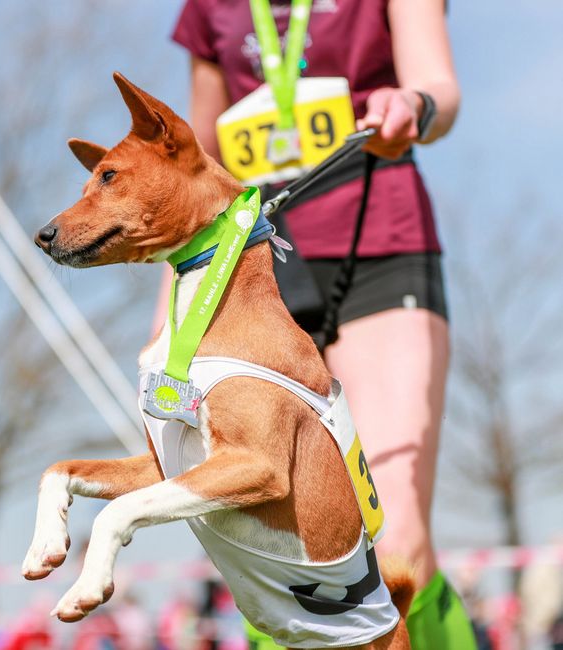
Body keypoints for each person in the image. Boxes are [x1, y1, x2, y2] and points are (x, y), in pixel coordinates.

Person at [166, 1, 477, 648]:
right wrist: (168, 325)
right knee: (284, 557)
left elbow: (441, 89)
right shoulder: (208, 8)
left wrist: (414, 105)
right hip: (250, 275)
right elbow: (193, 169)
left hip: (380, 251)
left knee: (394, 546)